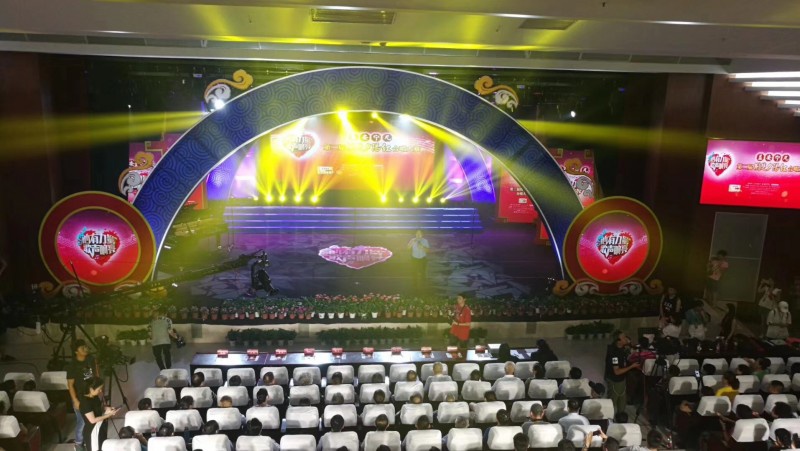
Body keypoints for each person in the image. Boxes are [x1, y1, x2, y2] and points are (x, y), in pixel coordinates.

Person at [67, 339, 98, 451]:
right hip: (80, 397)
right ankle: (79, 443)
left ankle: (90, 440)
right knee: (82, 421)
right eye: (82, 347)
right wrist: (75, 400)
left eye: (85, 346)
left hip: (91, 395)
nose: (85, 349)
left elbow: (96, 375)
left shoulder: (91, 359)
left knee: (93, 418)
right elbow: (70, 385)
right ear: (76, 351)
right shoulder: (72, 365)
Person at [604, 331, 640, 415]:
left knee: (622, 402)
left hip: (622, 380)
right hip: (615, 381)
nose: (626, 338)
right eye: (624, 337)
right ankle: (609, 418)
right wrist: (631, 366)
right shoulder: (614, 354)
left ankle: (621, 417)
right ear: (618, 341)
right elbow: (617, 371)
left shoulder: (622, 347)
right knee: (612, 402)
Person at [79, 377, 119, 451]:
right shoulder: (85, 403)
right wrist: (109, 415)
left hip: (100, 427)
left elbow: (97, 407)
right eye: (99, 389)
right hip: (93, 431)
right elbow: (93, 420)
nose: (100, 391)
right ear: (91, 389)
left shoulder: (94, 397)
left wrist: (106, 408)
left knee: (103, 447)